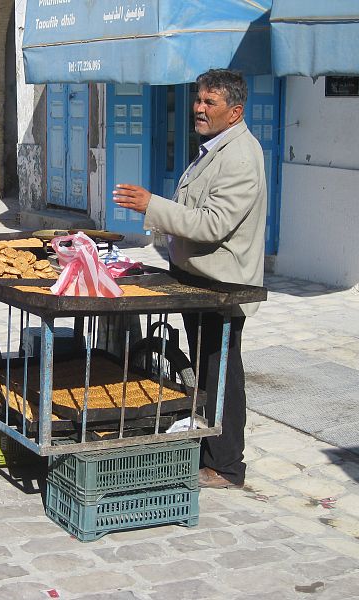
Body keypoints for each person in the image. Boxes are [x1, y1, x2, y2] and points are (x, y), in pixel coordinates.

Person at [112, 69, 266, 490]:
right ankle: (209, 449)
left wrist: (152, 206)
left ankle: (228, 464)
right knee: (207, 367)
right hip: (199, 279)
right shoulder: (215, 148)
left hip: (224, 286)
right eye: (198, 100)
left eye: (209, 103)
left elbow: (213, 223)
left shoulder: (240, 156)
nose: (198, 108)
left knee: (221, 372)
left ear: (233, 112)